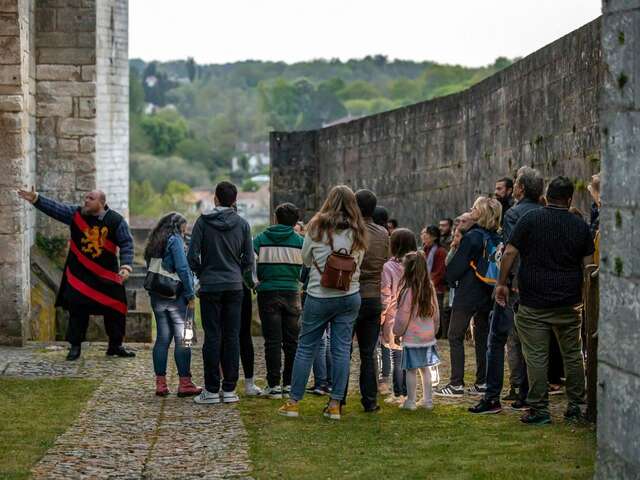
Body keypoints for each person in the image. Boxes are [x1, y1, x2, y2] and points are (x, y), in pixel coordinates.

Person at [496, 176, 594, 425]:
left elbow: (509, 252)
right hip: (568, 300)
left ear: (547, 196)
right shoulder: (579, 225)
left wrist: (501, 283)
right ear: (570, 198)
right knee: (572, 354)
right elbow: (588, 265)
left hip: (533, 299)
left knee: (536, 356)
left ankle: (539, 408)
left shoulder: (531, 219)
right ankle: (575, 406)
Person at [278, 185, 367, 420]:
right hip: (349, 295)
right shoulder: (358, 229)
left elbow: (305, 260)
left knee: (306, 348)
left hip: (319, 295)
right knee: (340, 350)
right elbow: (359, 261)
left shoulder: (316, 226)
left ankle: (294, 402)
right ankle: (335, 404)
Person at [18, 187, 135, 361]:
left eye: (91, 198)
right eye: (86, 197)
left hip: (107, 275)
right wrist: (36, 198)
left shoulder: (116, 221)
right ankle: (75, 346)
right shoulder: (76, 214)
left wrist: (126, 266)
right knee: (77, 310)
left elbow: (126, 243)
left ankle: (115, 345)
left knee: (115, 308)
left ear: (101, 203)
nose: (86, 200)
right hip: (79, 275)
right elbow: (56, 209)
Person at [469, 167, 543, 414]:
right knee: (530, 343)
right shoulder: (544, 212)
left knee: (497, 339)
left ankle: (492, 397)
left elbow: (512, 251)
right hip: (538, 285)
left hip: (516, 285)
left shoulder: (514, 214)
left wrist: (503, 283)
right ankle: (527, 395)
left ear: (519, 189)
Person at [188, 181, 254, 405]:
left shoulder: (203, 223)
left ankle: (211, 388)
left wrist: (202, 272)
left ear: (215, 198)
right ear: (235, 201)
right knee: (232, 336)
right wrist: (239, 271)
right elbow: (249, 259)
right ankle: (229, 388)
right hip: (234, 285)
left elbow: (192, 256)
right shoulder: (243, 225)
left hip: (210, 285)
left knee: (213, 336)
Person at [435, 197, 502, 397]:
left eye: (474, 208)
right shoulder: (496, 237)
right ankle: (482, 381)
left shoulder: (472, 237)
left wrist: (448, 277)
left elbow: (455, 268)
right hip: (487, 291)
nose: (470, 210)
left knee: (455, 335)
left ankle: (456, 384)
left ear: (480, 213)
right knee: (482, 338)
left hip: (467, 292)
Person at [144, 212, 201, 397]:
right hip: (177, 297)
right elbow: (183, 268)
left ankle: (160, 384)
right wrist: (191, 294)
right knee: (184, 340)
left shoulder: (154, 242)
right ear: (178, 226)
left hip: (158, 296)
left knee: (162, 339)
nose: (186, 231)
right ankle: (185, 383)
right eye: (184, 227)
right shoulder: (175, 239)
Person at [253, 203, 304, 399]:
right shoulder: (300, 241)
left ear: (275, 218)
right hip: (291, 291)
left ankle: (273, 385)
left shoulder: (260, 239)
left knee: (272, 341)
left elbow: (248, 263)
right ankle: (289, 384)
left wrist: (254, 283)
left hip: (267, 292)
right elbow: (307, 267)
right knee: (292, 342)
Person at [348, 189, 389, 412]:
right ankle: (370, 400)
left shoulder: (351, 232)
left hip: (352, 292)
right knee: (368, 351)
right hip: (374, 296)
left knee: (344, 350)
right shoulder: (383, 234)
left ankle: (338, 398)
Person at [393, 250, 440, 410]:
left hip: (412, 337)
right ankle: (428, 401)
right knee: (425, 368)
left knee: (411, 369)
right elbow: (436, 313)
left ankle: (411, 401)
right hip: (427, 336)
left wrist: (397, 332)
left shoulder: (407, 291)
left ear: (408, 269)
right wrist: (435, 329)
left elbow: (402, 317)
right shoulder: (429, 287)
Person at [381, 228, 417, 404]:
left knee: (396, 356)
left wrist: (381, 315)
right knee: (409, 357)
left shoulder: (388, 267)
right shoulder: (418, 264)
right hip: (415, 315)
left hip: (394, 316)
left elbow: (385, 294)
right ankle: (410, 392)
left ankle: (398, 393)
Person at [420, 225, 447, 338]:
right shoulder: (424, 250)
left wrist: (429, 284)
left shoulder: (440, 252)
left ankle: (439, 333)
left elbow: (440, 272)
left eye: (426, 234)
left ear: (434, 237)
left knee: (437, 310)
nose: (423, 236)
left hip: (436, 287)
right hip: (424, 285)